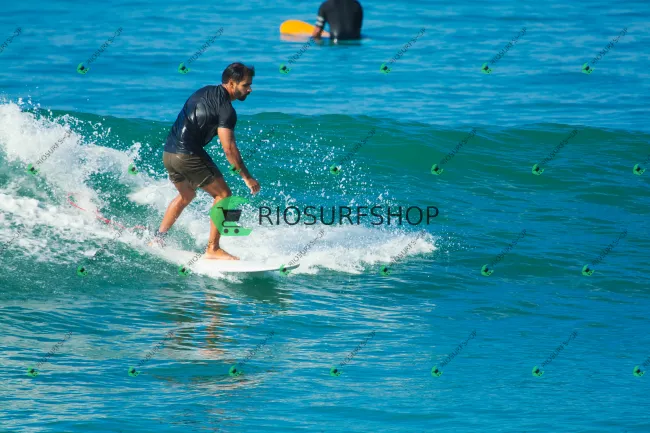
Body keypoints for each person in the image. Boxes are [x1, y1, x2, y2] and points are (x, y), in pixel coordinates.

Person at [153, 62, 260, 260]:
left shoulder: (204, 91)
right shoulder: (226, 110)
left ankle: (158, 238)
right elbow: (228, 149)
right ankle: (213, 249)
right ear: (231, 83)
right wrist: (247, 177)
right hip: (187, 154)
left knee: (186, 195)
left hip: (169, 153)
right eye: (246, 85)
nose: (249, 89)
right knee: (224, 195)